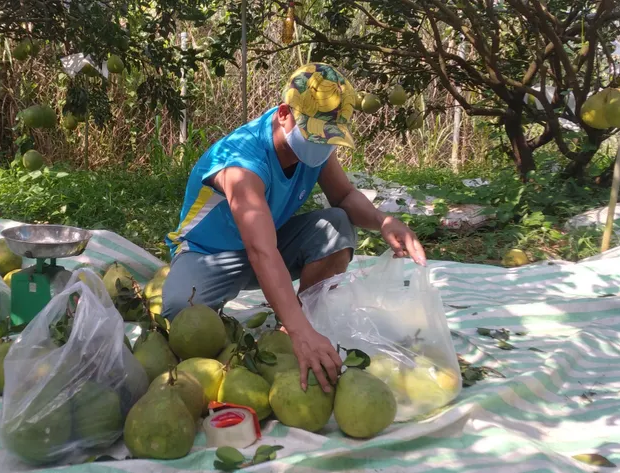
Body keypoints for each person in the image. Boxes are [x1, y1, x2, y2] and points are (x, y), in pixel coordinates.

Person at [160, 63, 427, 393]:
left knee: (336, 225)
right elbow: (261, 251)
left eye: (329, 138)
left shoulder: (314, 151)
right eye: (314, 135)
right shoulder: (243, 163)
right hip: (209, 254)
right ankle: (300, 329)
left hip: (268, 246)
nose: (322, 145)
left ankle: (299, 324)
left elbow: (344, 196)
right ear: (284, 114)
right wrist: (301, 331)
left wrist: (383, 221)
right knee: (181, 315)